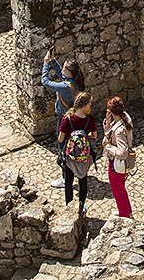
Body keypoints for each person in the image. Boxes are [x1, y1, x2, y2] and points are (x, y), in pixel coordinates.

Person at [41, 51, 84, 188]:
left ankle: (66, 178)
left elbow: (45, 82)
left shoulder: (65, 87)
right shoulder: (74, 82)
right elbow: (61, 74)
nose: (63, 70)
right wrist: (54, 61)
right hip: (73, 120)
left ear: (69, 72)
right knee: (71, 146)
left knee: (63, 147)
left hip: (64, 120)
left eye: (65, 67)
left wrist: (46, 64)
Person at [58, 91, 100, 217]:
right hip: (83, 155)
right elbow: (94, 135)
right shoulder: (89, 119)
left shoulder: (67, 119)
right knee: (83, 181)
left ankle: (69, 207)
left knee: (69, 182)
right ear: (86, 105)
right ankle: (81, 206)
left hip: (69, 155)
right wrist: (84, 134)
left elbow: (60, 139)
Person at [104, 95, 135, 218]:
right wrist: (107, 123)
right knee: (121, 190)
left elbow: (122, 153)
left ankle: (124, 216)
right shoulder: (125, 119)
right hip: (122, 164)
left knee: (118, 192)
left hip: (117, 164)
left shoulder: (119, 130)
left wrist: (108, 146)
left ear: (110, 111)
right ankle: (127, 212)